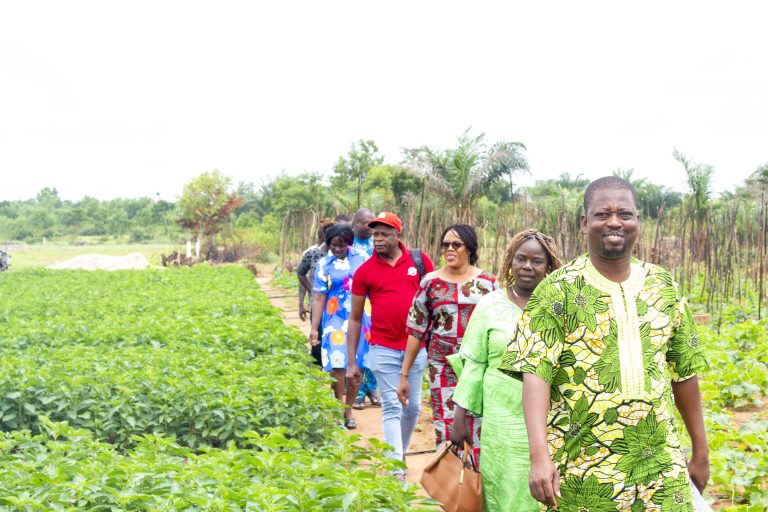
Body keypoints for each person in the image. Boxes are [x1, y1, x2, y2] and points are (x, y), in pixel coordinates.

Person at [499, 176, 709, 511]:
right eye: (602, 214)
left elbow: (684, 372)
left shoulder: (663, 286)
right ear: (585, 223)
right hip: (584, 468)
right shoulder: (558, 289)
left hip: (660, 465)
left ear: (638, 221)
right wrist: (539, 457)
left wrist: (701, 449)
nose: (614, 222)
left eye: (624, 214)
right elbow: (535, 375)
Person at [449, 229, 562, 512]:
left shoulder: (558, 309)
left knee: (546, 494)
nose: (527, 266)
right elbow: (474, 366)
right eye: (521, 259)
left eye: (536, 261)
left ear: (549, 266)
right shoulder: (490, 305)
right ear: (510, 261)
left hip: (550, 424)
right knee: (502, 492)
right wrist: (459, 417)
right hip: (501, 425)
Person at [397, 223, 499, 463]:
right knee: (447, 426)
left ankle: (476, 489)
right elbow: (416, 330)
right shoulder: (430, 283)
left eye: (456, 244)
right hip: (442, 368)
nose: (449, 249)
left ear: (470, 248)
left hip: (479, 368)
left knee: (480, 426)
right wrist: (404, 374)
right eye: (445, 245)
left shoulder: (489, 284)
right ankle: (450, 490)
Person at [346, 212, 434, 479]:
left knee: (413, 408)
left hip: (416, 348)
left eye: (384, 234)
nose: (378, 239)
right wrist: (352, 361)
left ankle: (399, 453)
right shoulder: (365, 271)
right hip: (382, 347)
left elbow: (434, 301)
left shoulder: (419, 262)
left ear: (398, 235)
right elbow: (354, 317)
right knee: (393, 406)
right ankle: (397, 469)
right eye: (375, 234)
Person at [309, 223, 370, 429]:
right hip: (334, 318)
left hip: (360, 317)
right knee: (337, 363)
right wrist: (314, 327)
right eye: (333, 245)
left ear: (349, 243)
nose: (336, 249)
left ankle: (348, 408)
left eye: (341, 245)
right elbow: (319, 298)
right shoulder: (324, 264)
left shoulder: (362, 258)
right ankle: (337, 405)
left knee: (356, 365)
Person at [349, 207, 380, 410]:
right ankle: (358, 391)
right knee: (358, 346)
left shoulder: (376, 245)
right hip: (354, 302)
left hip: (375, 301)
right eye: (366, 223)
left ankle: (372, 387)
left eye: (372, 223)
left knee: (375, 345)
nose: (370, 227)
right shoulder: (347, 245)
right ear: (356, 224)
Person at [296, 218, 335, 366]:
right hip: (318, 304)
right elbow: (301, 273)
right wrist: (311, 291)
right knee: (317, 341)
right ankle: (318, 376)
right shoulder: (312, 253)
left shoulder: (344, 253)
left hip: (338, 306)